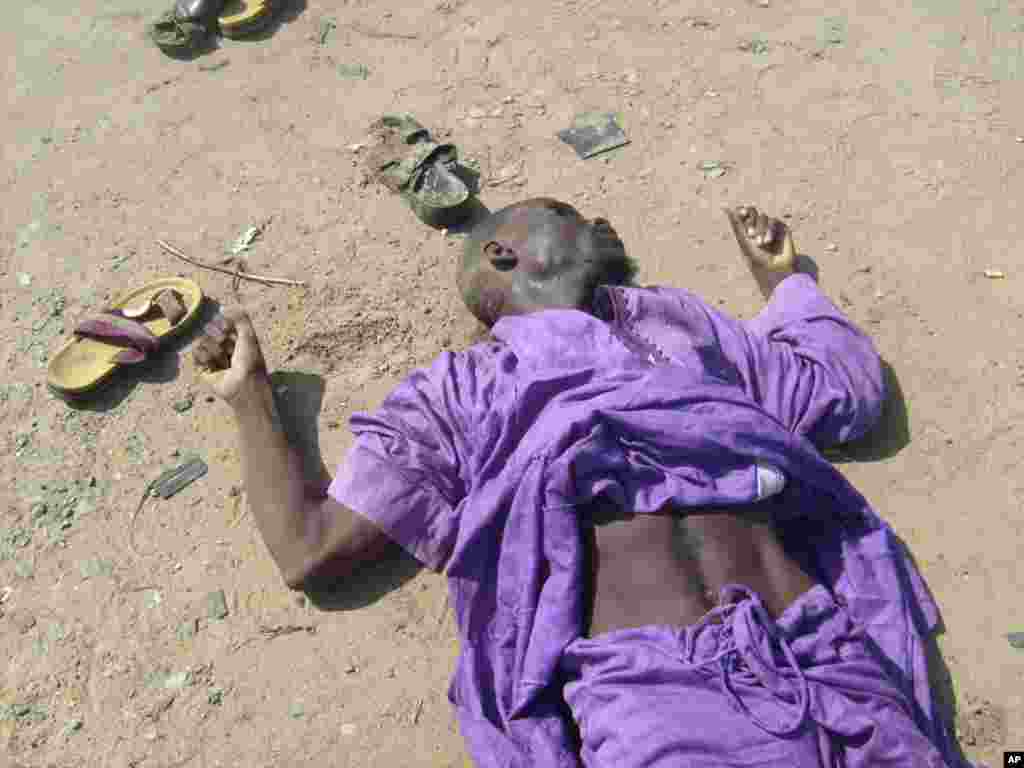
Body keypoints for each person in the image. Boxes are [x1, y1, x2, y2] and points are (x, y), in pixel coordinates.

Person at [194, 200, 964, 767]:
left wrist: (786, 283)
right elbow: (311, 546)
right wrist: (251, 398)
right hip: (662, 699)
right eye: (570, 215)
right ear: (500, 254)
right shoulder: (462, 389)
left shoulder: (676, 326)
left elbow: (842, 392)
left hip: (822, 653)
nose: (598, 220)